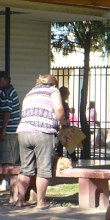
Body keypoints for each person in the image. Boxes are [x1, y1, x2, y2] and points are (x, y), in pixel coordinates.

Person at [15, 74, 65, 209]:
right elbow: (59, 109)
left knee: (25, 169)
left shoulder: (31, 92)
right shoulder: (53, 90)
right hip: (43, 132)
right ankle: (41, 202)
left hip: (23, 132)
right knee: (44, 169)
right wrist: (60, 122)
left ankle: (19, 201)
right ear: (54, 84)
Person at [0, 71, 20, 166]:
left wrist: (3, 130)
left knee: (6, 161)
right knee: (9, 159)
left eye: (0, 80)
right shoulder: (11, 91)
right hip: (12, 131)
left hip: (8, 132)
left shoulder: (6, 93)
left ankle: (6, 176)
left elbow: (7, 112)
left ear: (7, 80)